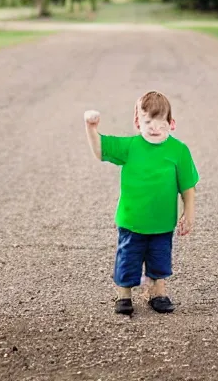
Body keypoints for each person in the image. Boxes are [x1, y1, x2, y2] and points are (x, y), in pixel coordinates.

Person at [84, 91, 199, 315]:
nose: (154, 128)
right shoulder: (130, 147)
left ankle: (158, 293)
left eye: (161, 123)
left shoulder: (179, 151)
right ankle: (124, 295)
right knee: (128, 258)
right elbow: (101, 150)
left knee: (160, 260)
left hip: (163, 222)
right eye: (148, 122)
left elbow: (188, 187)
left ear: (171, 123)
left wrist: (189, 213)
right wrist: (91, 128)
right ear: (138, 122)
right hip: (132, 220)